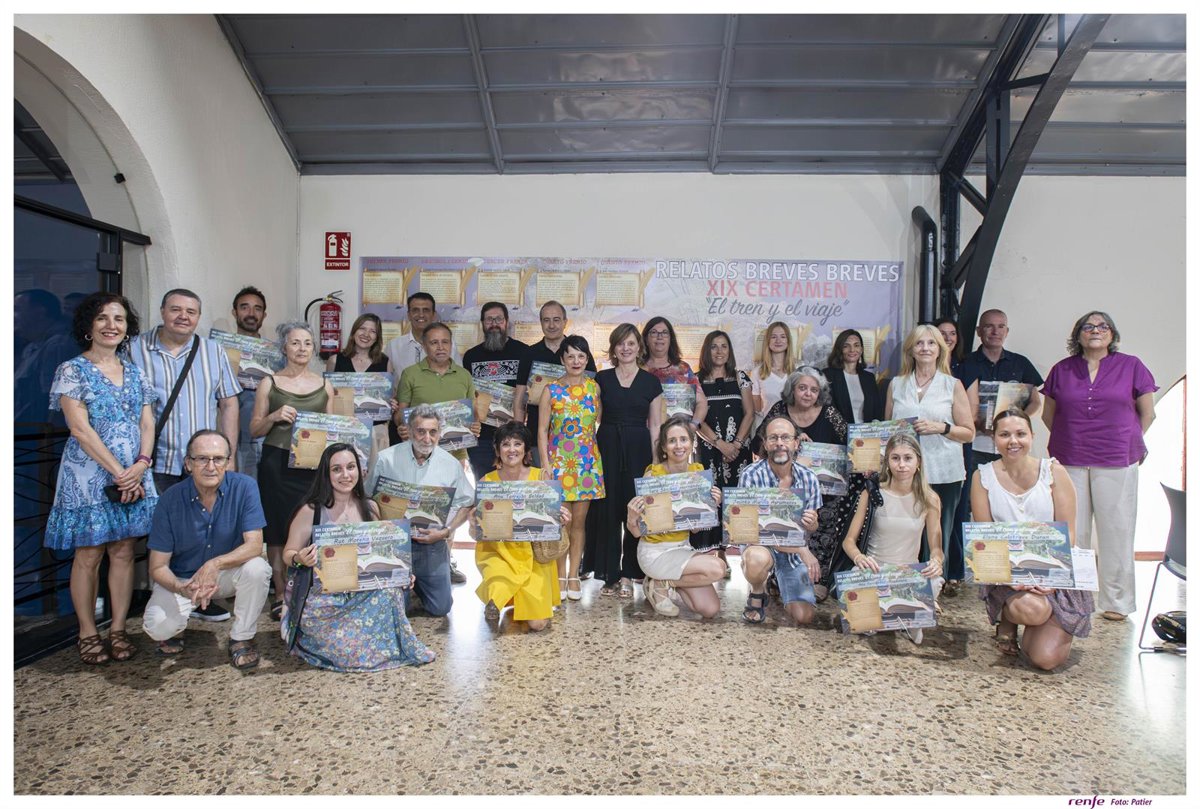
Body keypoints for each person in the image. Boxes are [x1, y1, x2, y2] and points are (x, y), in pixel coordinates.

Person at [44, 292, 158, 665]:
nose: (111, 325)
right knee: (88, 553)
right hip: (89, 476)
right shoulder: (72, 371)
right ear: (88, 326)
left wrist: (141, 463)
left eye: (119, 319)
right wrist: (119, 472)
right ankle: (87, 632)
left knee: (124, 551)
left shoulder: (136, 372)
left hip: (134, 473)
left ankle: (118, 628)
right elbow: (79, 429)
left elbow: (147, 422)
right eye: (103, 318)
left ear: (127, 328)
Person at [1041, 311, 1156, 621]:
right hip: (1070, 458)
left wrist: (1125, 439)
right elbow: (1048, 415)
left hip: (1117, 459)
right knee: (1072, 532)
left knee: (1116, 530)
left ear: (1112, 334)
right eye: (1088, 326)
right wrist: (1074, 438)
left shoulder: (1132, 366)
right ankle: (1073, 597)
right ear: (1077, 335)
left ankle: (1117, 602)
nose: (1095, 330)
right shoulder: (1062, 369)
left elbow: (1147, 413)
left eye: (1102, 326)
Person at [282, 443, 435, 670]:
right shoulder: (311, 510)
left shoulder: (370, 507)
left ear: (360, 470)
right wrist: (300, 558)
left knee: (392, 592)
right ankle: (365, 647)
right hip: (324, 596)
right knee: (345, 648)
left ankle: (371, 646)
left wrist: (402, 575)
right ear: (326, 473)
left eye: (351, 467)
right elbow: (287, 553)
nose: (345, 475)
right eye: (337, 469)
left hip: (363, 591)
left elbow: (383, 556)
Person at [971, 409, 1092, 668]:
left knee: (1046, 660)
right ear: (994, 438)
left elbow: (1069, 534)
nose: (1013, 441)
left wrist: (1049, 578)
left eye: (1020, 434)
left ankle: (1047, 621)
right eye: (1005, 434)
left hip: (1054, 571)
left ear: (1032, 436)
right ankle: (1010, 619)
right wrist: (1012, 578)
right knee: (1032, 610)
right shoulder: (982, 477)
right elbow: (984, 540)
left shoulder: (1054, 472)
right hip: (1008, 573)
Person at [143, 430, 271, 670]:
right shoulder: (169, 500)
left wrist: (215, 564)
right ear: (188, 463)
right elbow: (157, 566)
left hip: (225, 574)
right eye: (202, 459)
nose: (211, 467)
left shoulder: (245, 487)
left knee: (258, 568)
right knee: (158, 627)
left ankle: (241, 637)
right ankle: (176, 628)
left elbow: (254, 545)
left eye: (218, 459)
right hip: (184, 580)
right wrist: (180, 587)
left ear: (228, 462)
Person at [955, 309, 1045, 597]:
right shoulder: (967, 364)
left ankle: (1015, 567)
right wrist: (975, 422)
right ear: (979, 331)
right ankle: (978, 569)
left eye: (1000, 327)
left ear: (1007, 331)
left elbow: (1035, 402)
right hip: (976, 446)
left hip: (1011, 449)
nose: (995, 332)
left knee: (1010, 506)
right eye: (989, 327)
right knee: (970, 508)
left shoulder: (1020, 363)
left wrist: (1018, 421)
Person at [250, 321, 333, 619]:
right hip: (276, 464)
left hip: (313, 467)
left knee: (312, 525)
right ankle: (279, 591)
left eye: (307, 343)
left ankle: (307, 589)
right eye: (295, 342)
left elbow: (333, 430)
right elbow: (254, 429)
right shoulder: (269, 383)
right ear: (284, 347)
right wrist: (273, 416)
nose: (301, 348)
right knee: (276, 529)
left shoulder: (325, 386)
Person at [366, 404, 475, 618]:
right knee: (397, 610)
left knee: (441, 608)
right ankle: (407, 589)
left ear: (440, 433)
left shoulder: (451, 464)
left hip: (432, 545)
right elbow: (367, 497)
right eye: (421, 431)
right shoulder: (385, 459)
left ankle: (418, 585)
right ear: (409, 430)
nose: (427, 438)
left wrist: (446, 532)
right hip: (395, 546)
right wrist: (382, 530)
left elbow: (468, 502)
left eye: (433, 432)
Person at [885, 324, 974, 584]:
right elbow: (887, 431)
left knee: (937, 535)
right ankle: (906, 586)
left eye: (931, 343)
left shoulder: (952, 385)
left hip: (944, 472)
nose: (925, 348)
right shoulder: (896, 385)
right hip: (904, 474)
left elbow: (968, 432)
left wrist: (941, 427)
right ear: (911, 350)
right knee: (906, 532)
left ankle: (934, 587)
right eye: (919, 343)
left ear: (940, 349)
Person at [129, 288, 241, 493]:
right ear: (162, 311)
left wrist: (230, 458)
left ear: (198, 316)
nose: (183, 316)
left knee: (203, 514)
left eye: (191, 312)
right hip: (153, 462)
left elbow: (229, 405)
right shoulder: (135, 349)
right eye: (175, 310)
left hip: (204, 464)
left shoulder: (214, 351)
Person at [394, 321, 480, 586]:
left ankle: (446, 562)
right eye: (434, 342)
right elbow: (401, 413)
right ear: (424, 346)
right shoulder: (411, 374)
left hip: (454, 455)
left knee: (451, 511)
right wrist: (402, 425)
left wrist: (475, 425)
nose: (440, 347)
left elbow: (472, 413)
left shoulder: (463, 375)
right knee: (420, 510)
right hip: (418, 456)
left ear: (451, 345)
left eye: (445, 342)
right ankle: (412, 569)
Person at [840, 433, 944, 644]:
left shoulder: (930, 499)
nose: (901, 465)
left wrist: (936, 561)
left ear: (918, 462)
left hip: (907, 574)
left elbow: (936, 547)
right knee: (863, 621)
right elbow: (848, 541)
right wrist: (859, 558)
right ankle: (901, 612)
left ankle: (906, 614)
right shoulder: (872, 494)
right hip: (874, 571)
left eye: (908, 458)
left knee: (934, 581)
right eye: (895, 458)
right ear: (887, 462)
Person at [587, 324, 663, 598]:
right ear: (613, 348)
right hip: (606, 447)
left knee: (636, 509)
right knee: (607, 511)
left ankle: (630, 573)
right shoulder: (602, 379)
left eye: (631, 343)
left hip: (639, 450)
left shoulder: (651, 382)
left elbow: (656, 426)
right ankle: (609, 575)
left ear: (639, 347)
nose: (626, 348)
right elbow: (592, 418)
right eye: (620, 343)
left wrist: (656, 465)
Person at [472, 422, 570, 630]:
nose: (512, 450)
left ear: (526, 450)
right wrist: (474, 523)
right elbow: (475, 533)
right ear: (497, 450)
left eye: (517, 444)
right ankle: (497, 601)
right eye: (505, 444)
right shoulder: (487, 482)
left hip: (534, 554)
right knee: (499, 583)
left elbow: (551, 521)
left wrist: (561, 518)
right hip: (499, 553)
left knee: (538, 625)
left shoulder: (541, 477)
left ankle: (517, 599)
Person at [762, 367, 848, 601]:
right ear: (792, 390)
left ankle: (817, 579)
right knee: (783, 527)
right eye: (802, 388)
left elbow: (850, 443)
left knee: (823, 525)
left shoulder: (829, 413)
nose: (808, 394)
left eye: (813, 390)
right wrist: (790, 442)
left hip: (825, 491)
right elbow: (759, 444)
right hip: (785, 487)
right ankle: (778, 576)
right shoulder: (779, 410)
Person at [626, 416, 726, 618]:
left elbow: (695, 529)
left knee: (710, 609)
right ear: (664, 447)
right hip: (655, 552)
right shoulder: (653, 476)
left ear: (692, 443)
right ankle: (660, 581)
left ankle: (662, 583)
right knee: (718, 568)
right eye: (672, 441)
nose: (679, 446)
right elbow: (636, 533)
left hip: (683, 548)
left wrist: (711, 506)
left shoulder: (697, 473)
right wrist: (631, 516)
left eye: (683, 439)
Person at [537, 335, 605, 601]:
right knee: (560, 523)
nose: (576, 361)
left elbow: (598, 423)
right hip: (559, 464)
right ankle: (559, 576)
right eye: (570, 356)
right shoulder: (551, 390)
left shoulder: (594, 388)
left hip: (586, 464)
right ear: (562, 359)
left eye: (581, 356)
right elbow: (542, 430)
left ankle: (574, 575)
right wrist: (545, 464)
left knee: (578, 523)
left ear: (587, 360)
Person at [738, 415, 822, 626]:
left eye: (786, 437)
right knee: (756, 560)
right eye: (773, 438)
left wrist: (812, 523)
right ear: (765, 444)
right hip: (760, 546)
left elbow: (812, 528)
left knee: (804, 616)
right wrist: (802, 550)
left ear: (796, 443)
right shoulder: (750, 475)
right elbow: (749, 530)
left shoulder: (809, 478)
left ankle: (780, 583)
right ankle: (757, 590)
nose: (779, 443)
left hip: (793, 552)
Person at [694, 330, 752, 561]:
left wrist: (735, 444)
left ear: (730, 351)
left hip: (738, 450)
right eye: (714, 346)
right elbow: (696, 419)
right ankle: (715, 553)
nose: (719, 351)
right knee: (711, 497)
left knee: (737, 499)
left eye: (724, 346)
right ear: (706, 351)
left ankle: (742, 553)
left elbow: (749, 413)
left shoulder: (740, 377)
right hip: (709, 449)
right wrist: (720, 444)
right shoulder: (696, 379)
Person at [461, 301, 529, 482]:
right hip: (482, 437)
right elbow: (468, 396)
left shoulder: (524, 352)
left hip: (514, 436)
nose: (494, 324)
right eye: (489, 319)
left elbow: (530, 393)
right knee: (485, 485)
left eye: (499, 319)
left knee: (515, 485)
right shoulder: (471, 356)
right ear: (482, 324)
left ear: (506, 322)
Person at [513, 300, 597, 440]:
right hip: (535, 435)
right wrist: (519, 437)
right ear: (541, 322)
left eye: (556, 320)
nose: (551, 325)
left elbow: (592, 395)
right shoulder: (529, 354)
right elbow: (519, 400)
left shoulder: (579, 353)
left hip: (575, 435)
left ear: (565, 322)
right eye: (546, 320)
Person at [14, 288, 77, 425]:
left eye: (17, 309)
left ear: (39, 312)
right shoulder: (32, 346)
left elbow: (57, 403)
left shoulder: (57, 346)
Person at [641, 317, 709, 428]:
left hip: (677, 435)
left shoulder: (683, 369)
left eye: (664, 333)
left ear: (670, 339)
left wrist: (693, 426)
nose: (659, 337)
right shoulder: (636, 369)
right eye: (654, 332)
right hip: (643, 434)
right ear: (646, 339)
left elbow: (701, 402)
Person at [231, 286, 267, 480]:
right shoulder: (219, 351)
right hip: (230, 436)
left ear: (264, 315)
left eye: (257, 308)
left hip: (265, 439)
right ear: (234, 312)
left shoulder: (276, 354)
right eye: (244, 307)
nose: (251, 313)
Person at [383, 291, 460, 380]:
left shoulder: (448, 346)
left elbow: (459, 377)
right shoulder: (393, 346)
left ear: (434, 315)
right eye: (415, 310)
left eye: (426, 310)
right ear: (409, 315)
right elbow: (385, 381)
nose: (421, 315)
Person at [823, 328, 883, 424]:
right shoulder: (828, 376)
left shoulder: (869, 378)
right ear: (839, 349)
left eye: (856, 345)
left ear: (861, 349)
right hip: (838, 432)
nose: (852, 350)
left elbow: (877, 411)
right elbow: (826, 410)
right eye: (846, 346)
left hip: (866, 432)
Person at [748, 321, 795, 430]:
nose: (778, 341)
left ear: (788, 341)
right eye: (773, 337)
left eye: (783, 336)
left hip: (794, 429)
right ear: (768, 341)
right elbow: (757, 411)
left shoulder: (799, 371)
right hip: (768, 429)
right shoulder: (757, 373)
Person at [328, 312, 392, 374]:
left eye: (373, 331)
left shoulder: (386, 363)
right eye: (362, 328)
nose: (366, 334)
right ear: (354, 332)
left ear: (377, 338)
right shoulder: (334, 360)